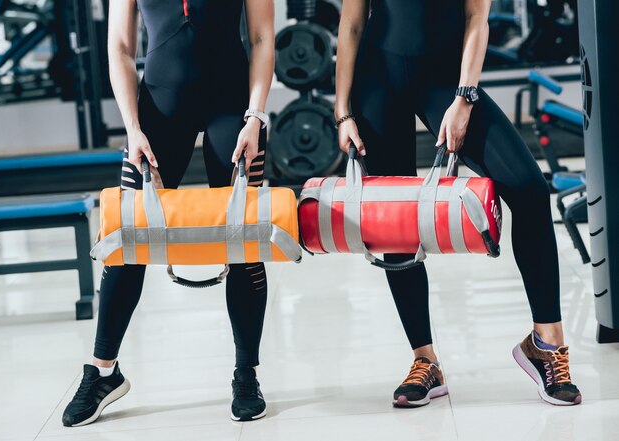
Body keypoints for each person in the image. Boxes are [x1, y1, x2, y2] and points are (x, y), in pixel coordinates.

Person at [334, 0, 581, 407]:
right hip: (377, 77)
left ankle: (546, 343)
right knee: (392, 219)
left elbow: (476, 17)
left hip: (447, 78)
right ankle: (424, 360)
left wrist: (464, 98)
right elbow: (352, 22)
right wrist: (343, 110)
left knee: (529, 188)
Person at [62, 0, 275, 426]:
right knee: (128, 240)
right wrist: (132, 128)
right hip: (158, 108)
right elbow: (120, 47)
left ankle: (245, 373)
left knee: (244, 239)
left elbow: (261, 37)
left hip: (233, 108)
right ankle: (104, 371)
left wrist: (255, 116)